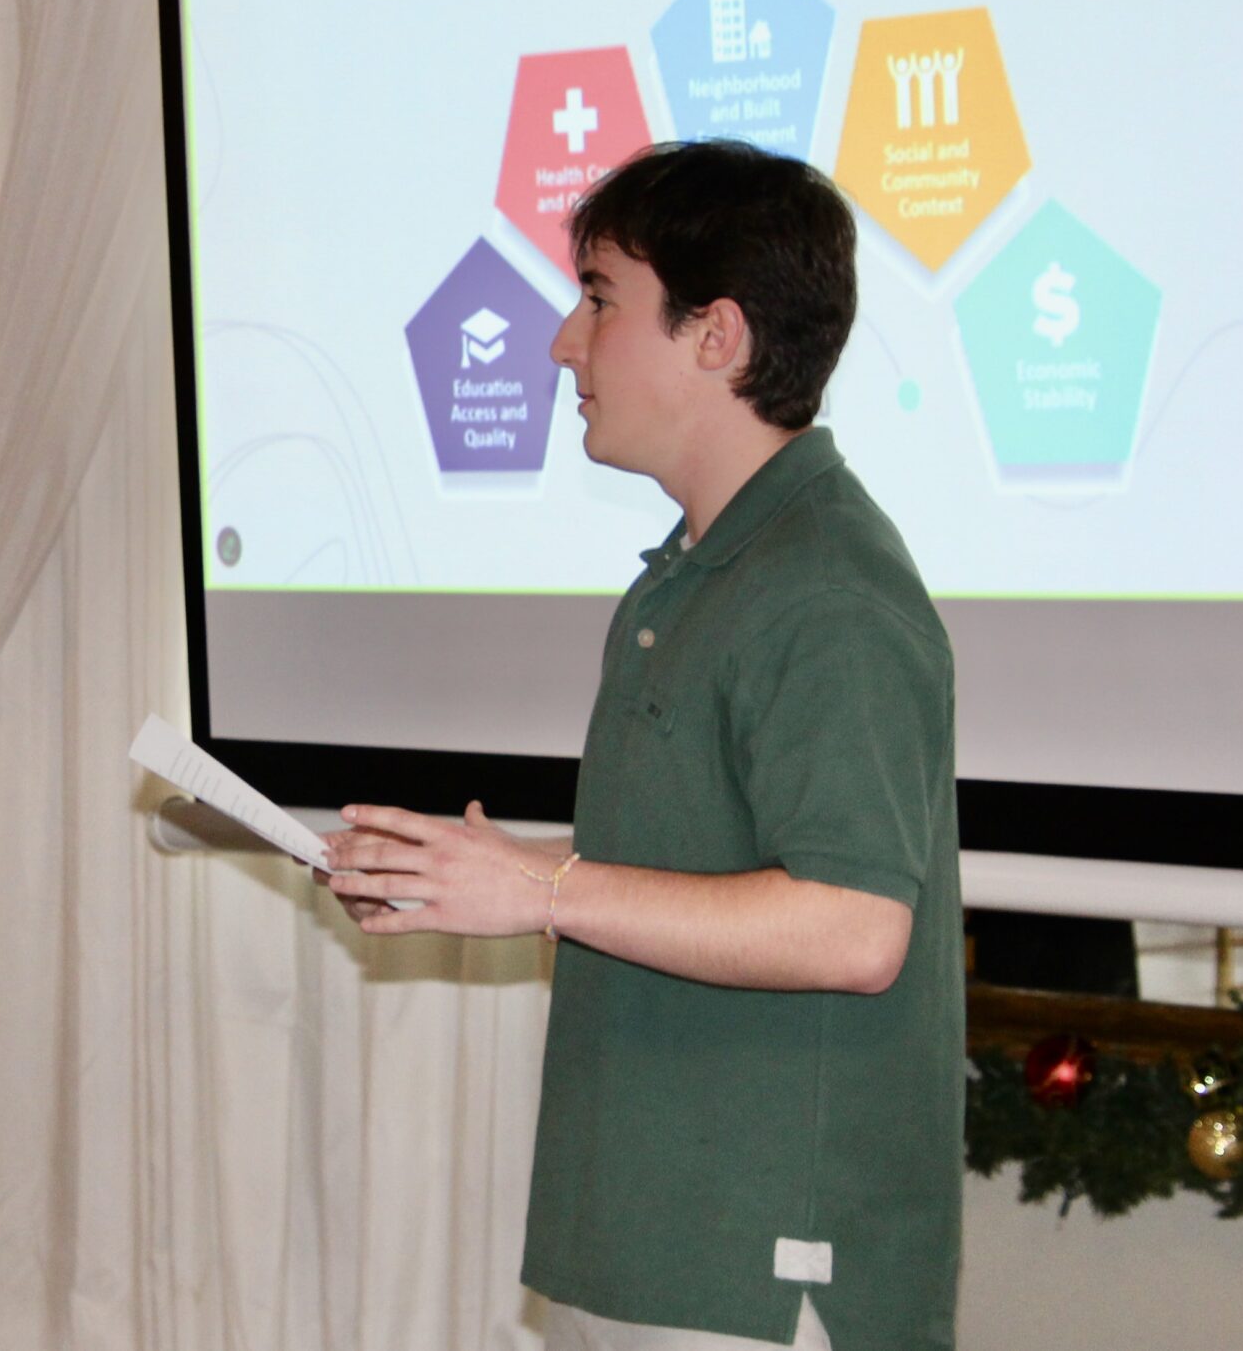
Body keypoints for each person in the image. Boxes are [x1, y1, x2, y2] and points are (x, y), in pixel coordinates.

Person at [325, 140, 962, 1351]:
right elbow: (692, 861)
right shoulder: (697, 571)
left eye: (600, 299)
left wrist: (543, 889)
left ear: (715, 335)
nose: (564, 341)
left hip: (754, 1267)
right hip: (640, 1243)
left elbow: (851, 924)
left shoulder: (828, 589)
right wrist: (474, 878)